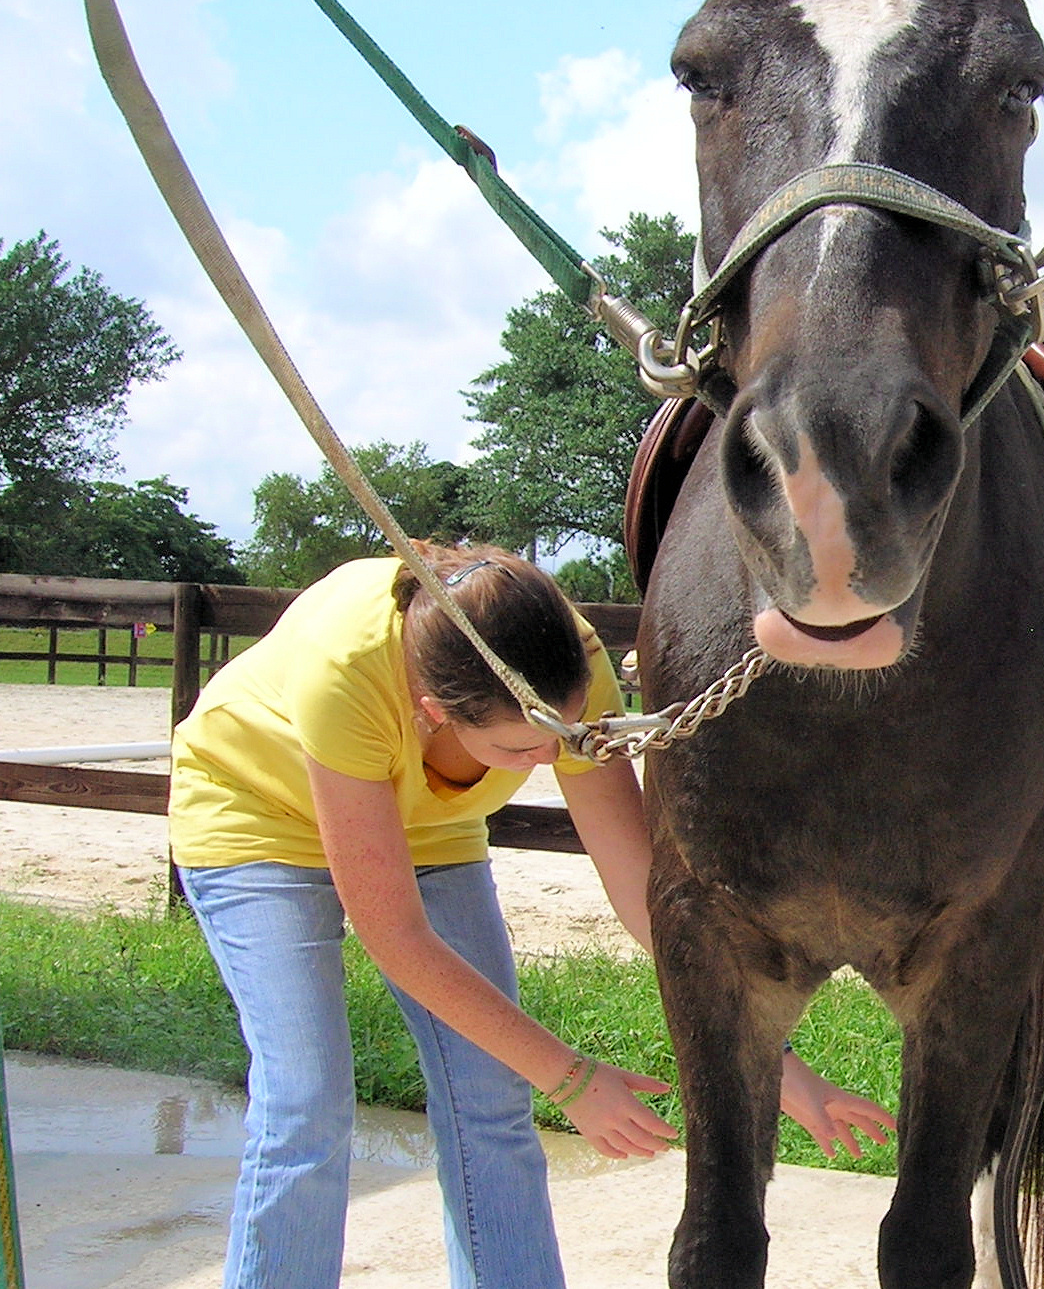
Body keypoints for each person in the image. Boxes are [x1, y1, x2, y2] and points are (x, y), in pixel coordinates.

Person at [169, 545, 894, 1289]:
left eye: (566, 733)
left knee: (492, 1097)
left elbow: (647, 898)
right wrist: (571, 1077)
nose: (554, 758)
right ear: (434, 711)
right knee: (307, 1104)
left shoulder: (564, 664)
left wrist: (770, 1059)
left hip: (431, 828)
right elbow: (396, 937)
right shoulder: (346, 674)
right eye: (519, 746)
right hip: (253, 813)